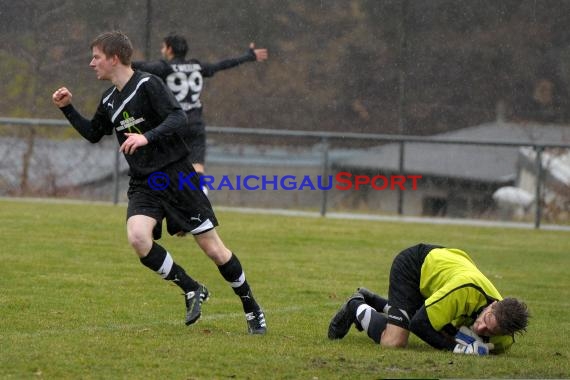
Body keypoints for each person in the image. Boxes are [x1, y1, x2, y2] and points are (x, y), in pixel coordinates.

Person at [51, 31, 266, 334]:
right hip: (144, 182)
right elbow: (94, 133)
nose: (91, 63)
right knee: (138, 237)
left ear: (114, 58)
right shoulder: (110, 99)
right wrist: (67, 108)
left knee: (214, 250)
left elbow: (178, 118)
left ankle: (251, 307)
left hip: (176, 176)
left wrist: (146, 136)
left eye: (96, 57)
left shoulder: (147, 84)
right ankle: (191, 288)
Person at [328, 243, 529, 355]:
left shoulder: (504, 340)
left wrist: (475, 346)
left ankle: (374, 300)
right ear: (493, 305)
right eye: (485, 321)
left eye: (491, 331)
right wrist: (456, 348)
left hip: (444, 275)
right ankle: (356, 304)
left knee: (447, 328)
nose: (482, 329)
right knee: (394, 342)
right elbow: (420, 324)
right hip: (415, 267)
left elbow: (486, 346)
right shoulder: (464, 292)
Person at [132, 34, 268, 190]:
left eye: (163, 47)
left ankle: (164, 198)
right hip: (195, 124)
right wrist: (247, 57)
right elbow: (222, 64)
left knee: (166, 166)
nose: (162, 50)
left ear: (169, 49)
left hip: (174, 124)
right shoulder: (197, 66)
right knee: (197, 169)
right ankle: (201, 197)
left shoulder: (164, 67)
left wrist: (114, 59)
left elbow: (138, 66)